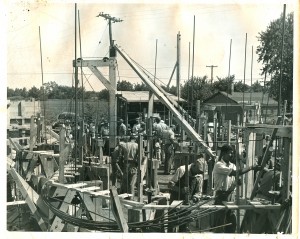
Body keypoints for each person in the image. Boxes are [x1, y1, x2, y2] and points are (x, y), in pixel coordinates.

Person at [212, 144, 259, 233]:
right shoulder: (218, 165)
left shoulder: (232, 165)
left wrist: (238, 181)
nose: (231, 155)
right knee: (220, 222)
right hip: (221, 195)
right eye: (230, 153)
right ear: (224, 153)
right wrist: (251, 167)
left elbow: (237, 177)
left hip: (231, 195)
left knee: (231, 222)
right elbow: (236, 173)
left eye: (232, 153)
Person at [168, 159, 204, 232]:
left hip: (187, 203)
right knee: (172, 223)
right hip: (176, 200)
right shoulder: (182, 170)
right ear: (194, 165)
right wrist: (180, 189)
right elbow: (170, 185)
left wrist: (195, 198)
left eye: (200, 172)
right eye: (197, 170)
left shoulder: (199, 175)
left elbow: (198, 192)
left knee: (184, 225)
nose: (198, 173)